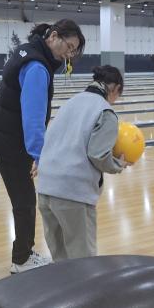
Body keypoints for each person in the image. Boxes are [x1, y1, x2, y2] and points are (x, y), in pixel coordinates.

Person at [0, 19, 85, 274]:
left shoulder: (29, 51)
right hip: (10, 144)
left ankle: (24, 253)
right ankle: (21, 259)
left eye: (73, 52)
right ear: (54, 36)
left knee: (24, 200)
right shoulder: (37, 67)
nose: (69, 55)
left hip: (5, 138)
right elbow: (33, 119)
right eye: (69, 47)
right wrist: (40, 155)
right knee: (25, 202)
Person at [36, 65, 129, 262]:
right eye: (118, 95)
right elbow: (98, 155)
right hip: (72, 193)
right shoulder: (105, 111)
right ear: (115, 88)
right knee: (83, 262)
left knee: (60, 259)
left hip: (45, 187)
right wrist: (118, 164)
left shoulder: (71, 102)